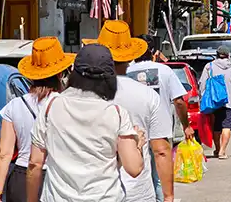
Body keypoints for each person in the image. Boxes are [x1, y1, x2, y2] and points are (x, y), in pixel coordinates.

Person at [26, 43, 145, 202]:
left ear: (74, 73)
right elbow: (134, 168)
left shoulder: (51, 107)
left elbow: (35, 163)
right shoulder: (116, 113)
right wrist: (138, 144)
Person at [90, 20, 175, 202]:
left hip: (94, 190)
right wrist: (168, 196)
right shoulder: (147, 95)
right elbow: (161, 150)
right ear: (130, 57)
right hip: (138, 191)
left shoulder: (84, 95)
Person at [0, 37, 74, 202]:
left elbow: (4, 154)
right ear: (60, 73)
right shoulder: (67, 104)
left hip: (22, 178)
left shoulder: (14, 106)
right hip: (58, 178)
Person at [127, 34, 192, 201]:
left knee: (137, 177)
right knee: (159, 179)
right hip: (160, 131)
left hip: (132, 132)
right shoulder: (165, 71)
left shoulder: (126, 72)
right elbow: (179, 101)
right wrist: (186, 125)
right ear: (153, 53)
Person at [199, 46, 231, 159]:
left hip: (214, 102)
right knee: (226, 127)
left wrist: (203, 98)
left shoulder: (209, 67)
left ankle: (217, 148)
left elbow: (202, 84)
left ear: (217, 54)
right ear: (228, 55)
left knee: (217, 127)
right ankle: (222, 151)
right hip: (229, 102)